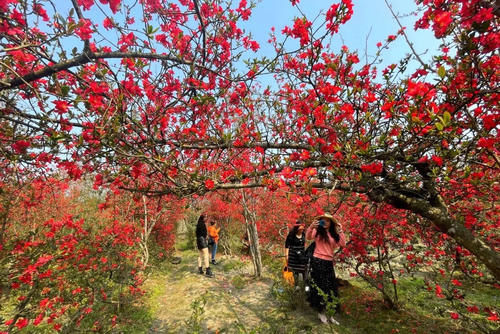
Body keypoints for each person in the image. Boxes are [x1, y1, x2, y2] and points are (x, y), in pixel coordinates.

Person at [305, 213, 346, 324]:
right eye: (322, 220)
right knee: (320, 287)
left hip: (328, 262)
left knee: (331, 287)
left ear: (331, 223)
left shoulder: (334, 234)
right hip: (317, 261)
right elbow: (308, 237)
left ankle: (331, 314)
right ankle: (321, 313)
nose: (324, 222)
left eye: (327, 221)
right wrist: (311, 227)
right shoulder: (317, 231)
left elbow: (343, 244)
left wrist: (340, 230)